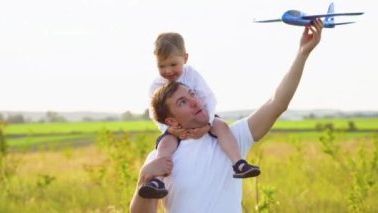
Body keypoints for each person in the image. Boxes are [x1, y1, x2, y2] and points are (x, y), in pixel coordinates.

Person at [130, 19, 323, 213]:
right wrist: (143, 178)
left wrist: (302, 53)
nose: (195, 101)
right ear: (170, 120)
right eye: (182, 102)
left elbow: (277, 104)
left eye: (192, 94)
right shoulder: (160, 157)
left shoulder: (230, 138)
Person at [139, 32, 260, 199]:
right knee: (165, 145)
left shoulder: (192, 76)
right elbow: (155, 113)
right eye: (161, 66)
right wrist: (171, 130)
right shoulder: (156, 85)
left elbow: (208, 98)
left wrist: (208, 124)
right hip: (174, 126)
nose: (168, 71)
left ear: (185, 58)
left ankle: (238, 163)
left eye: (173, 64)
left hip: (204, 117)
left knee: (222, 127)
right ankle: (157, 181)